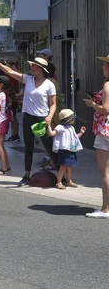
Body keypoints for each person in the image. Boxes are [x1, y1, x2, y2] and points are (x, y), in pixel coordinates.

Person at [0, 49, 57, 186]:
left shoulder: (49, 84)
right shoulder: (28, 79)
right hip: (28, 117)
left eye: (34, 66)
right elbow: (10, 72)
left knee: (50, 147)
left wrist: (50, 117)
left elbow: (53, 104)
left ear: (41, 69)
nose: (31, 67)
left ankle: (62, 175)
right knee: (28, 148)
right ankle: (26, 174)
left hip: (42, 119)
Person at [84, 54, 109, 219]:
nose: (103, 67)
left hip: (105, 130)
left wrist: (93, 104)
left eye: (105, 64)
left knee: (105, 171)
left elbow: (106, 109)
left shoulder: (107, 85)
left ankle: (106, 209)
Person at [46, 109, 84, 189]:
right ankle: (58, 182)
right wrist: (48, 125)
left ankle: (69, 181)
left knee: (69, 166)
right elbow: (51, 133)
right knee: (63, 167)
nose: (73, 120)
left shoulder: (71, 128)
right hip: (64, 150)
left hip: (71, 150)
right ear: (68, 119)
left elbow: (75, 138)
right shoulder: (60, 127)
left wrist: (81, 133)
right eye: (72, 118)